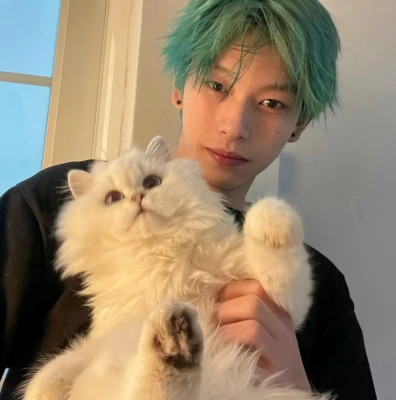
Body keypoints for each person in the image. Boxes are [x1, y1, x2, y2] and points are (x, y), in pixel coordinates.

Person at [0, 0, 376, 399]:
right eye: (217, 85)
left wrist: (294, 382)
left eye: (272, 103)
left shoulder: (320, 283)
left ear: (298, 123)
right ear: (179, 87)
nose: (234, 127)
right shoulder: (64, 207)